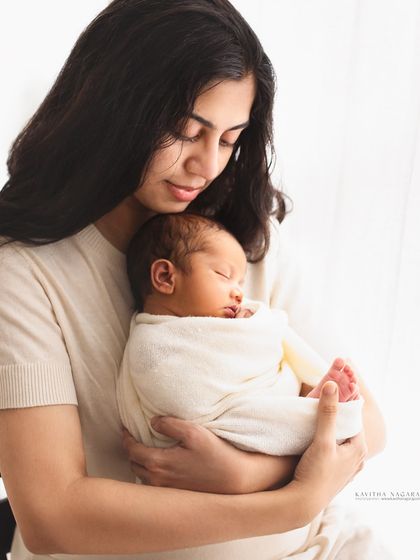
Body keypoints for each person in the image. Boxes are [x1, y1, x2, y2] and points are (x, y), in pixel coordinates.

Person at [0, 1, 386, 559]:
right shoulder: (25, 270)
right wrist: (288, 501)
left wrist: (247, 475)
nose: (206, 166)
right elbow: (53, 515)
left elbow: (367, 424)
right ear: (111, 110)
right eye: (186, 132)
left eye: (230, 139)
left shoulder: (243, 241)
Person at [118, 212, 363, 458]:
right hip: (211, 427)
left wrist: (251, 326)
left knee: (260, 412)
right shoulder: (151, 344)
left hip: (247, 417)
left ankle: (304, 412)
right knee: (251, 417)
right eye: (224, 275)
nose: (238, 294)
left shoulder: (224, 324)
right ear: (165, 277)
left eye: (241, 284)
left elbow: (256, 348)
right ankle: (309, 417)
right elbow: (182, 398)